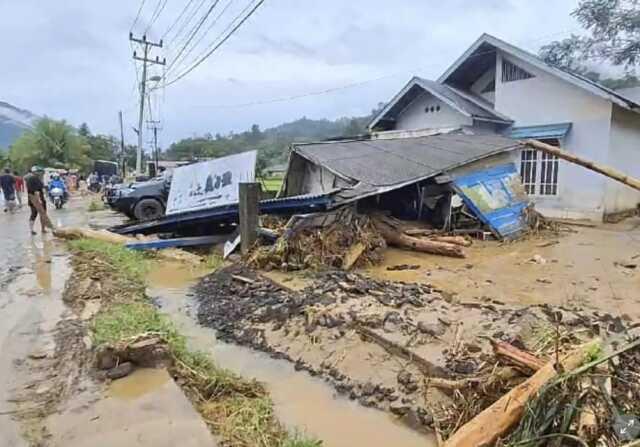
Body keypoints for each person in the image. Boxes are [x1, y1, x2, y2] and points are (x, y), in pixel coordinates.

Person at [25, 166, 54, 235]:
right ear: (35, 172)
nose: (40, 173)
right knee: (39, 214)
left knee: (37, 214)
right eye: (39, 171)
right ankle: (40, 229)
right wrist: (39, 200)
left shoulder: (35, 178)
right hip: (36, 199)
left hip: (35, 199)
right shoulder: (33, 179)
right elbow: (35, 191)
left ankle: (39, 229)